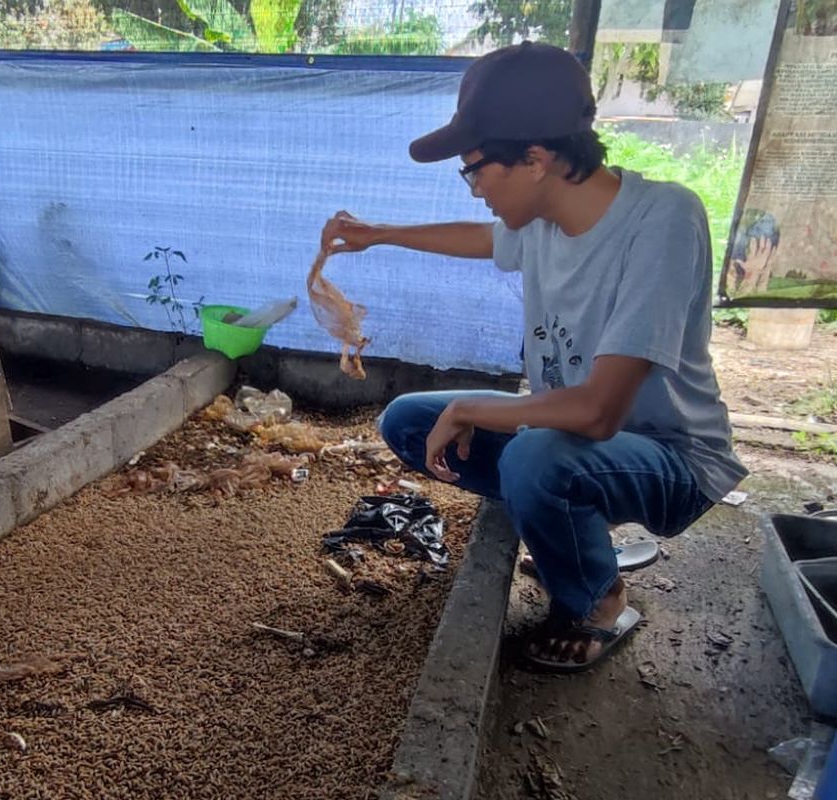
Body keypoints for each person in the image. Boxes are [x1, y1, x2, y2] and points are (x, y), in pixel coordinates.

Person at [320, 41, 746, 672]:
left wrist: (472, 406)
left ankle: (599, 603)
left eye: (475, 170)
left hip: (671, 456)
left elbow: (600, 414)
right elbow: (482, 239)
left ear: (536, 159)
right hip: (572, 438)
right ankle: (566, 528)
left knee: (533, 456)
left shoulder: (662, 220)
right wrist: (379, 234)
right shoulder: (542, 219)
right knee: (408, 420)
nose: (473, 190)